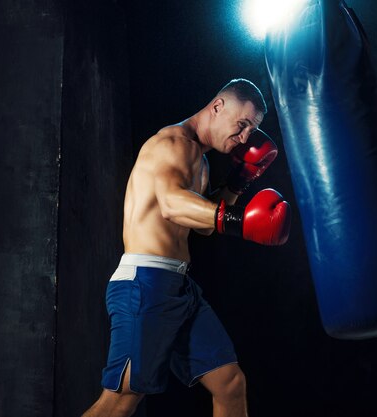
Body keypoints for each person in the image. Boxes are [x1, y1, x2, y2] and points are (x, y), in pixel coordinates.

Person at [82, 78, 291, 417]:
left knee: (230, 385)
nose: (243, 139)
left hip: (178, 287)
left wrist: (239, 182)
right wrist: (241, 221)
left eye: (250, 133)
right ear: (218, 106)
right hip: (145, 285)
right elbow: (171, 203)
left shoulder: (201, 162)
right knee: (119, 402)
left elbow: (199, 224)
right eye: (242, 126)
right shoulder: (174, 143)